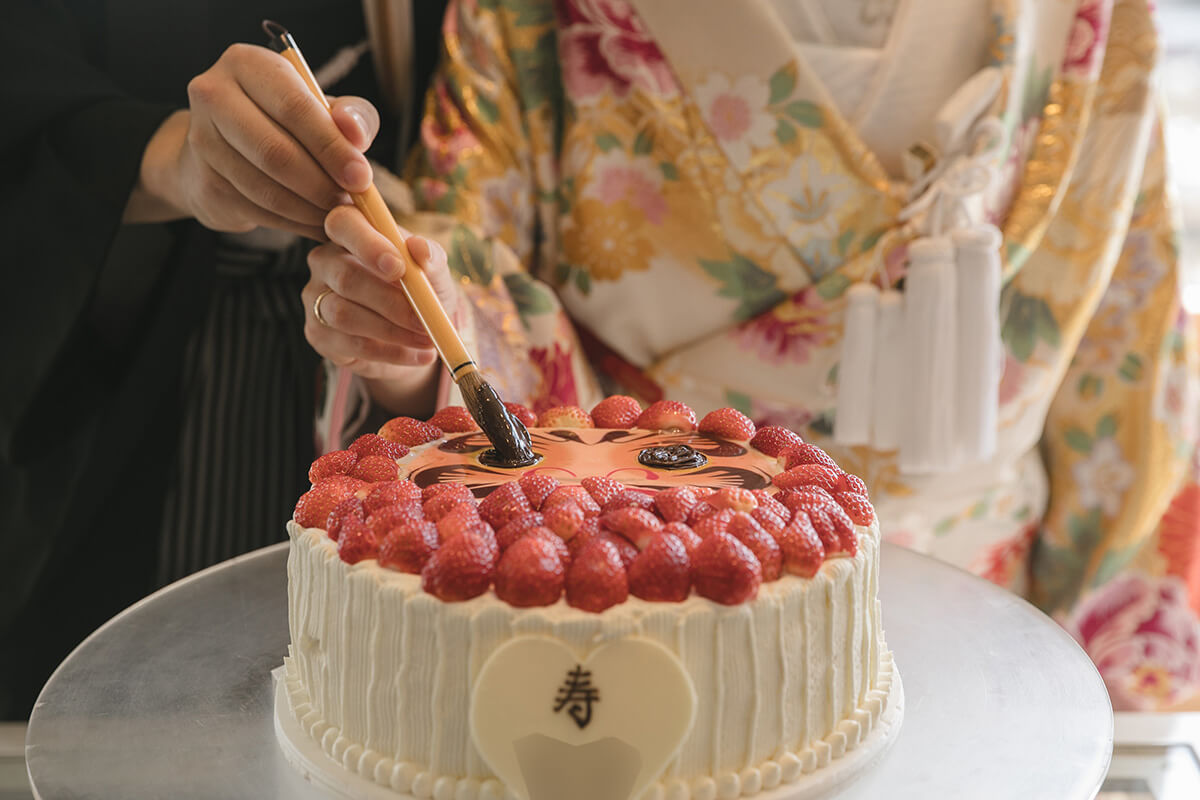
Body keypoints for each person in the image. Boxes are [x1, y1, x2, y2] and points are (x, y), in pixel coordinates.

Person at [303, 0, 1200, 711]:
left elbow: (1125, 349)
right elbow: (471, 269)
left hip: (991, 638)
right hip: (648, 600)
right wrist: (428, 321)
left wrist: (1121, 703)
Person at [0, 0, 449, 720]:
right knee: (124, 713)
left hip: (365, 385)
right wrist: (168, 158)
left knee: (354, 716)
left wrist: (409, 343)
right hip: (114, 370)